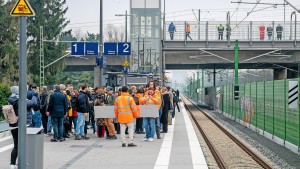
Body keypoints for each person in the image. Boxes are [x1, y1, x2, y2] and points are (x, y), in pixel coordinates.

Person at [8, 86, 37, 169]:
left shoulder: (11, 99)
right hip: (22, 125)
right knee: (24, 144)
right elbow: (33, 103)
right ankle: (23, 163)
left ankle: (12, 164)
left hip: (13, 125)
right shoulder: (19, 100)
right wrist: (34, 95)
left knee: (16, 145)